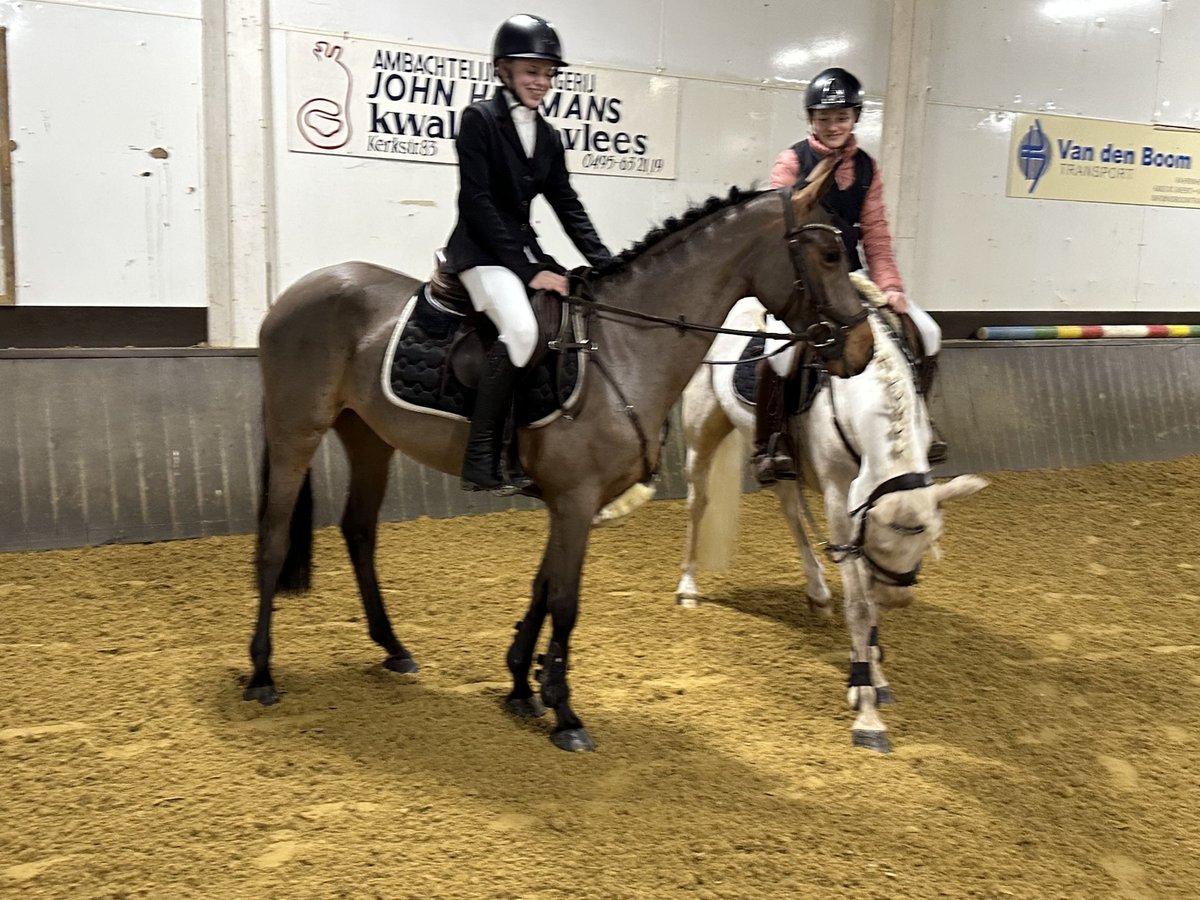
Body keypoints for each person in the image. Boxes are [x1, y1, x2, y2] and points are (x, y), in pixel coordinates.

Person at [442, 14, 614, 494]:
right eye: (531, 72)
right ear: (503, 71)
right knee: (521, 329)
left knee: (563, 321)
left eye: (547, 73)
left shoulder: (549, 136)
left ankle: (529, 447)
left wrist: (606, 262)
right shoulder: (479, 120)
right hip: (478, 251)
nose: (541, 82)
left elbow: (567, 204)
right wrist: (529, 269)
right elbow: (475, 201)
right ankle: (480, 457)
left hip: (520, 250)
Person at [752, 66, 947, 485]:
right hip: (800, 282)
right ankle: (773, 441)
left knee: (927, 333)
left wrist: (891, 286)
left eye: (841, 117)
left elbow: (875, 231)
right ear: (811, 121)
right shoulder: (791, 162)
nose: (833, 125)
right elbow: (774, 230)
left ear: (855, 118)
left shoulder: (867, 169)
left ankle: (916, 422)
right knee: (780, 353)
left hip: (850, 278)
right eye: (824, 118)